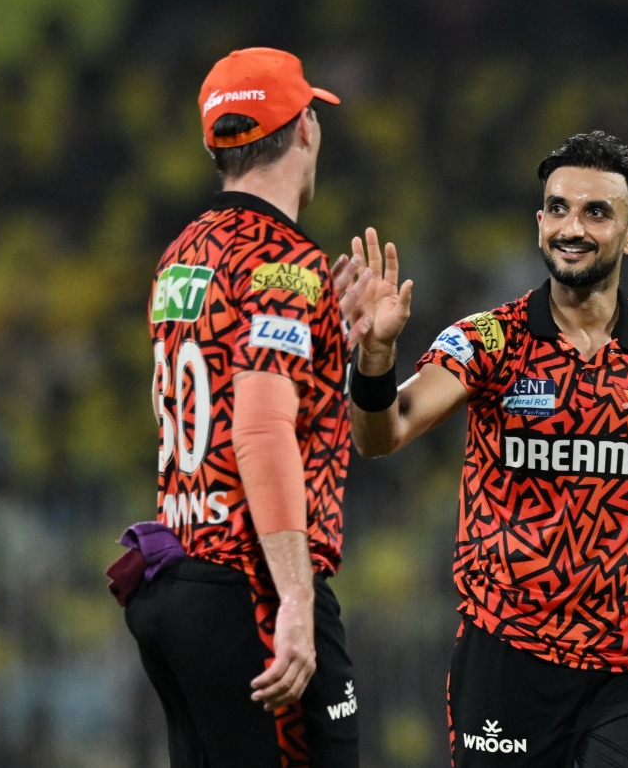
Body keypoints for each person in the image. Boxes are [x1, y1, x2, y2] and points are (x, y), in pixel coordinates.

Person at [345, 132, 628, 767]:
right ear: (540, 222)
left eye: (596, 212)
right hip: (508, 655)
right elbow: (384, 432)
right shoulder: (489, 339)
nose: (573, 226)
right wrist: (374, 360)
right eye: (559, 208)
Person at [124, 47, 374, 768]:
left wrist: (327, 336)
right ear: (304, 130)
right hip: (253, 589)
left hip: (177, 580)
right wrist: (295, 596)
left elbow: (198, 391)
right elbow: (260, 430)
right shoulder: (284, 264)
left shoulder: (183, 254)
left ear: (215, 145)